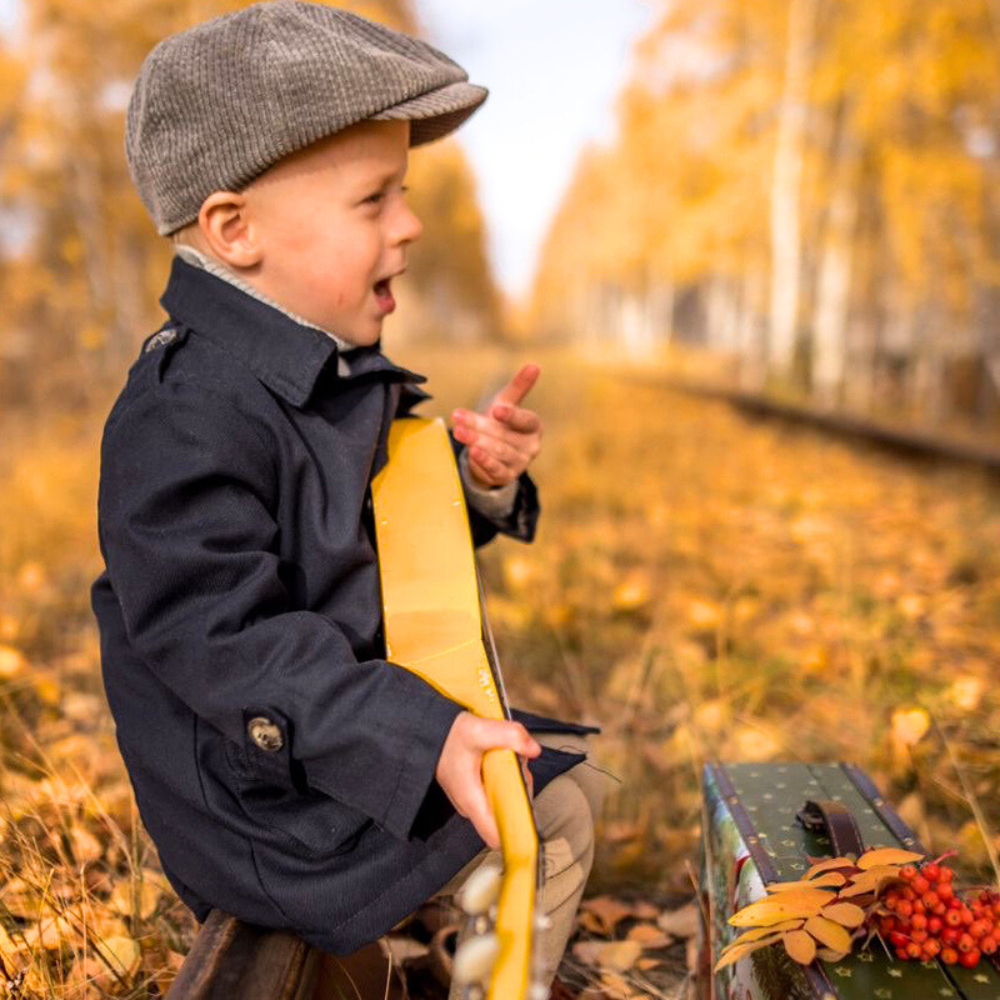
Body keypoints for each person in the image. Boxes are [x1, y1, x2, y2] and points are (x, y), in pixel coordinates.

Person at [90, 4, 611, 996]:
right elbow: (230, 644)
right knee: (549, 811)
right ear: (236, 231)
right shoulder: (183, 417)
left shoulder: (322, 374)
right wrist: (424, 737)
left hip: (332, 740)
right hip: (264, 805)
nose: (409, 225)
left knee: (559, 788)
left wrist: (473, 486)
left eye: (404, 195)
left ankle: (460, 972)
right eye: (374, 200)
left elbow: (371, 547)